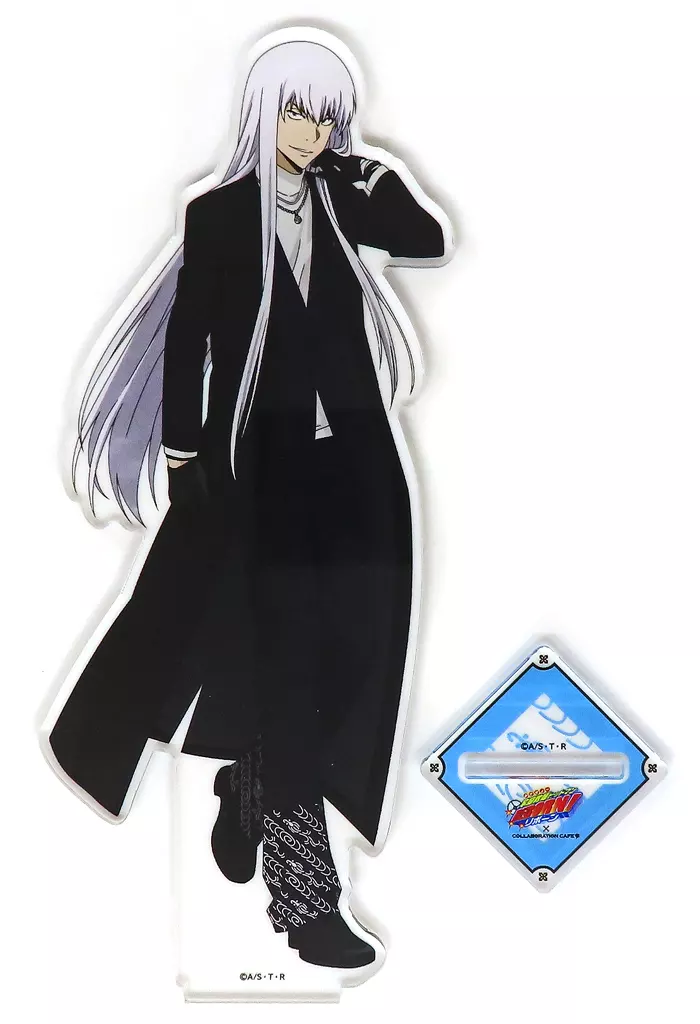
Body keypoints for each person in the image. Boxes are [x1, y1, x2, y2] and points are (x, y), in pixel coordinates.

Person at [45, 37, 448, 969]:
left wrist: (376, 180)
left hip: (356, 472)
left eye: (328, 117)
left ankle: (253, 782)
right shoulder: (219, 214)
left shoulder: (346, 202)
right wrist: (185, 452)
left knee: (361, 650)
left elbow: (428, 241)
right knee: (289, 675)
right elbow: (188, 337)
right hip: (255, 478)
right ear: (265, 110)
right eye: (299, 112)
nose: (312, 133)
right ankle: (307, 903)